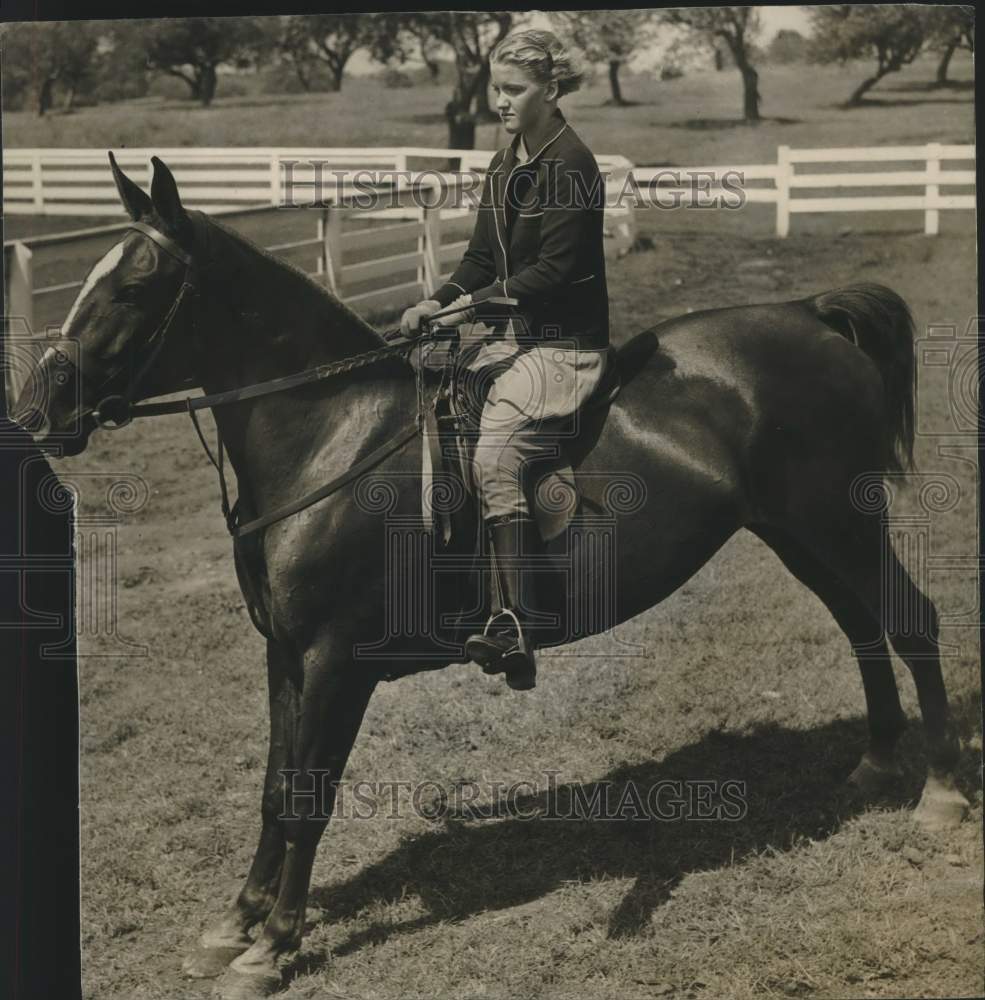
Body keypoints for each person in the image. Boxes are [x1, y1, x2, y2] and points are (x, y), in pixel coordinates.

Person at [400, 29, 610, 690]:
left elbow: (555, 270)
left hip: (561, 347)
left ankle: (518, 618)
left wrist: (472, 308)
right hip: (510, 340)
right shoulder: (504, 161)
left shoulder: (571, 165)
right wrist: (436, 299)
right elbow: (481, 260)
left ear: (550, 91)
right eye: (496, 89)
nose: (500, 102)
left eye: (513, 90)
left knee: (494, 457)